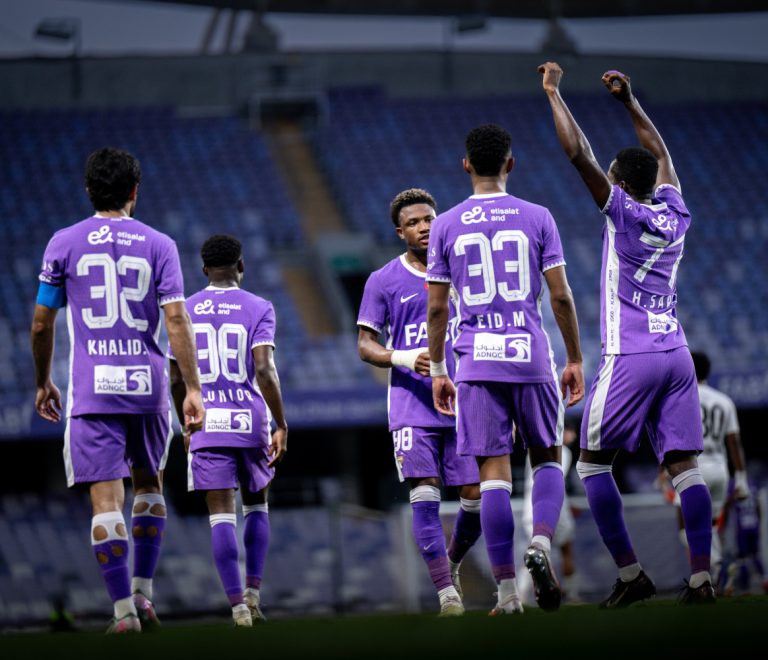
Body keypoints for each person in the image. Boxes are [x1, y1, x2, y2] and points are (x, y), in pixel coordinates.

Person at [540, 61, 715, 605]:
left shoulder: (624, 214)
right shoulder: (674, 210)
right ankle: (702, 578)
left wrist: (553, 93)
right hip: (676, 353)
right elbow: (661, 157)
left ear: (617, 182)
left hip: (630, 353)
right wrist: (629, 102)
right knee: (684, 466)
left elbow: (577, 155)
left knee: (592, 463)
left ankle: (631, 572)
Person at [31, 148, 204, 633]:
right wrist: (192, 388)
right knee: (149, 488)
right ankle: (145, 596)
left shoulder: (63, 244)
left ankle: (123, 613)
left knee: (106, 503)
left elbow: (42, 323)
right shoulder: (160, 244)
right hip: (147, 389)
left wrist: (43, 381)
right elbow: (176, 319)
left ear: (89, 191)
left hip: (93, 392)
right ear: (134, 191)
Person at [426, 125, 584, 615]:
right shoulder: (538, 217)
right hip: (529, 354)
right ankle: (540, 542)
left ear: (466, 164)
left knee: (493, 475)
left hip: (476, 361)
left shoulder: (446, 224)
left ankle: (507, 594)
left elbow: (436, 310)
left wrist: (437, 369)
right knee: (547, 459)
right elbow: (559, 295)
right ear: (510, 165)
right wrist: (575, 357)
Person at [357, 189, 482, 617]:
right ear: (400, 232)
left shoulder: (467, 269)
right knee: (424, 493)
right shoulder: (383, 280)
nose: (424, 226)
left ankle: (451, 562)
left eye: (429, 218)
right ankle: (446, 593)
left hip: (465, 399)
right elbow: (364, 344)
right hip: (412, 403)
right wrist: (404, 357)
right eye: (413, 222)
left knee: (476, 495)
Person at [169, 234, 288, 627]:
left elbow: (174, 376)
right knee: (256, 505)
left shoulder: (183, 309)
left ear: (204, 270)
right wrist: (281, 423)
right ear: (241, 266)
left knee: (220, 515)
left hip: (205, 422)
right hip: (249, 422)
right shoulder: (259, 307)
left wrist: (186, 422)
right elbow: (265, 370)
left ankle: (237, 609)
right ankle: (254, 595)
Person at [657, 351, 751, 587]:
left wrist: (662, 471)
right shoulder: (724, 401)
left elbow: (671, 435)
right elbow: (734, 442)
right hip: (720, 469)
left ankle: (715, 561)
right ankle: (716, 565)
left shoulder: (682, 396)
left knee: (685, 526)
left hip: (691, 468)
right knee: (709, 526)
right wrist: (741, 479)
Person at [520, 420, 580, 605]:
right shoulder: (563, 451)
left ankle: (519, 597)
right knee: (566, 551)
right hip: (556, 509)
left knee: (533, 554)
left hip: (530, 507)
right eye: (571, 431)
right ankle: (571, 594)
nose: (574, 436)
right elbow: (555, 482)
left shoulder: (533, 449)